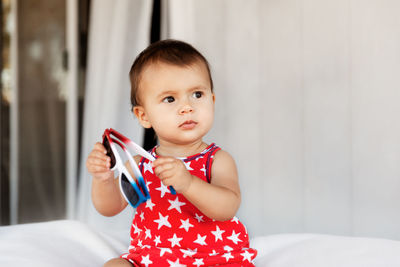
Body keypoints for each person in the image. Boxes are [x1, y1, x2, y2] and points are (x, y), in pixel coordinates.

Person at [86, 39, 257, 266]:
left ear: (212, 101)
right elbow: (109, 207)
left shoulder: (216, 160)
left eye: (197, 94)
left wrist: (188, 183)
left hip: (213, 258)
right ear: (143, 116)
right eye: (170, 99)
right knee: (113, 265)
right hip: (152, 258)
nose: (187, 107)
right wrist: (103, 178)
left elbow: (227, 208)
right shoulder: (140, 165)